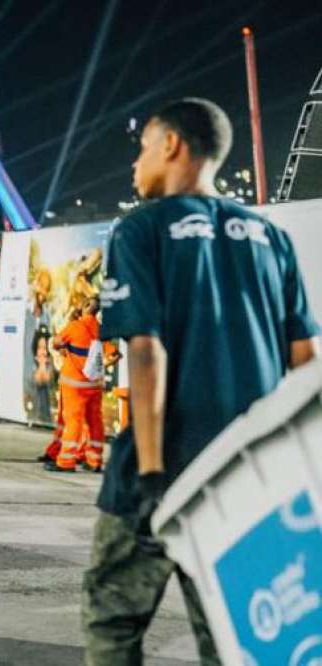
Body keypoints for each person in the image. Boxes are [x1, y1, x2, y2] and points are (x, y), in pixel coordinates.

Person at [81, 98, 320, 665]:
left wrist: (151, 469)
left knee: (113, 619)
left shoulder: (141, 230)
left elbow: (146, 352)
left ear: (172, 145)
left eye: (142, 150)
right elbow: (306, 361)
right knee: (233, 631)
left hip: (160, 471)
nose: (135, 167)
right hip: (246, 478)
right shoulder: (271, 239)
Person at [47, 298, 106, 473]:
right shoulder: (101, 330)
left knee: (73, 422)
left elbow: (56, 342)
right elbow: (111, 353)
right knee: (95, 422)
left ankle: (66, 461)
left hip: (74, 385)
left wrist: (63, 348)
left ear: (86, 307)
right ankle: (94, 460)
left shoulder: (75, 326)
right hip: (94, 384)